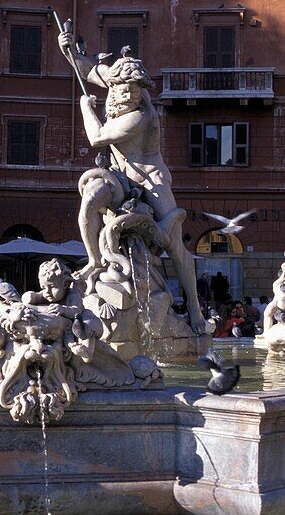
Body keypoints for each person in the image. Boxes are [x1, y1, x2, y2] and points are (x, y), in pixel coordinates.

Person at [60, 29, 206, 333]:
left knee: (176, 245)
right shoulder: (115, 86)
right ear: (114, 85)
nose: (129, 95)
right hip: (118, 176)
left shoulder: (140, 116)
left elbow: (97, 137)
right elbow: (88, 70)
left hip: (149, 178)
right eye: (124, 89)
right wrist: (69, 49)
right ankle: (93, 260)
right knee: (91, 197)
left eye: (136, 91)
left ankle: (193, 306)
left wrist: (86, 108)